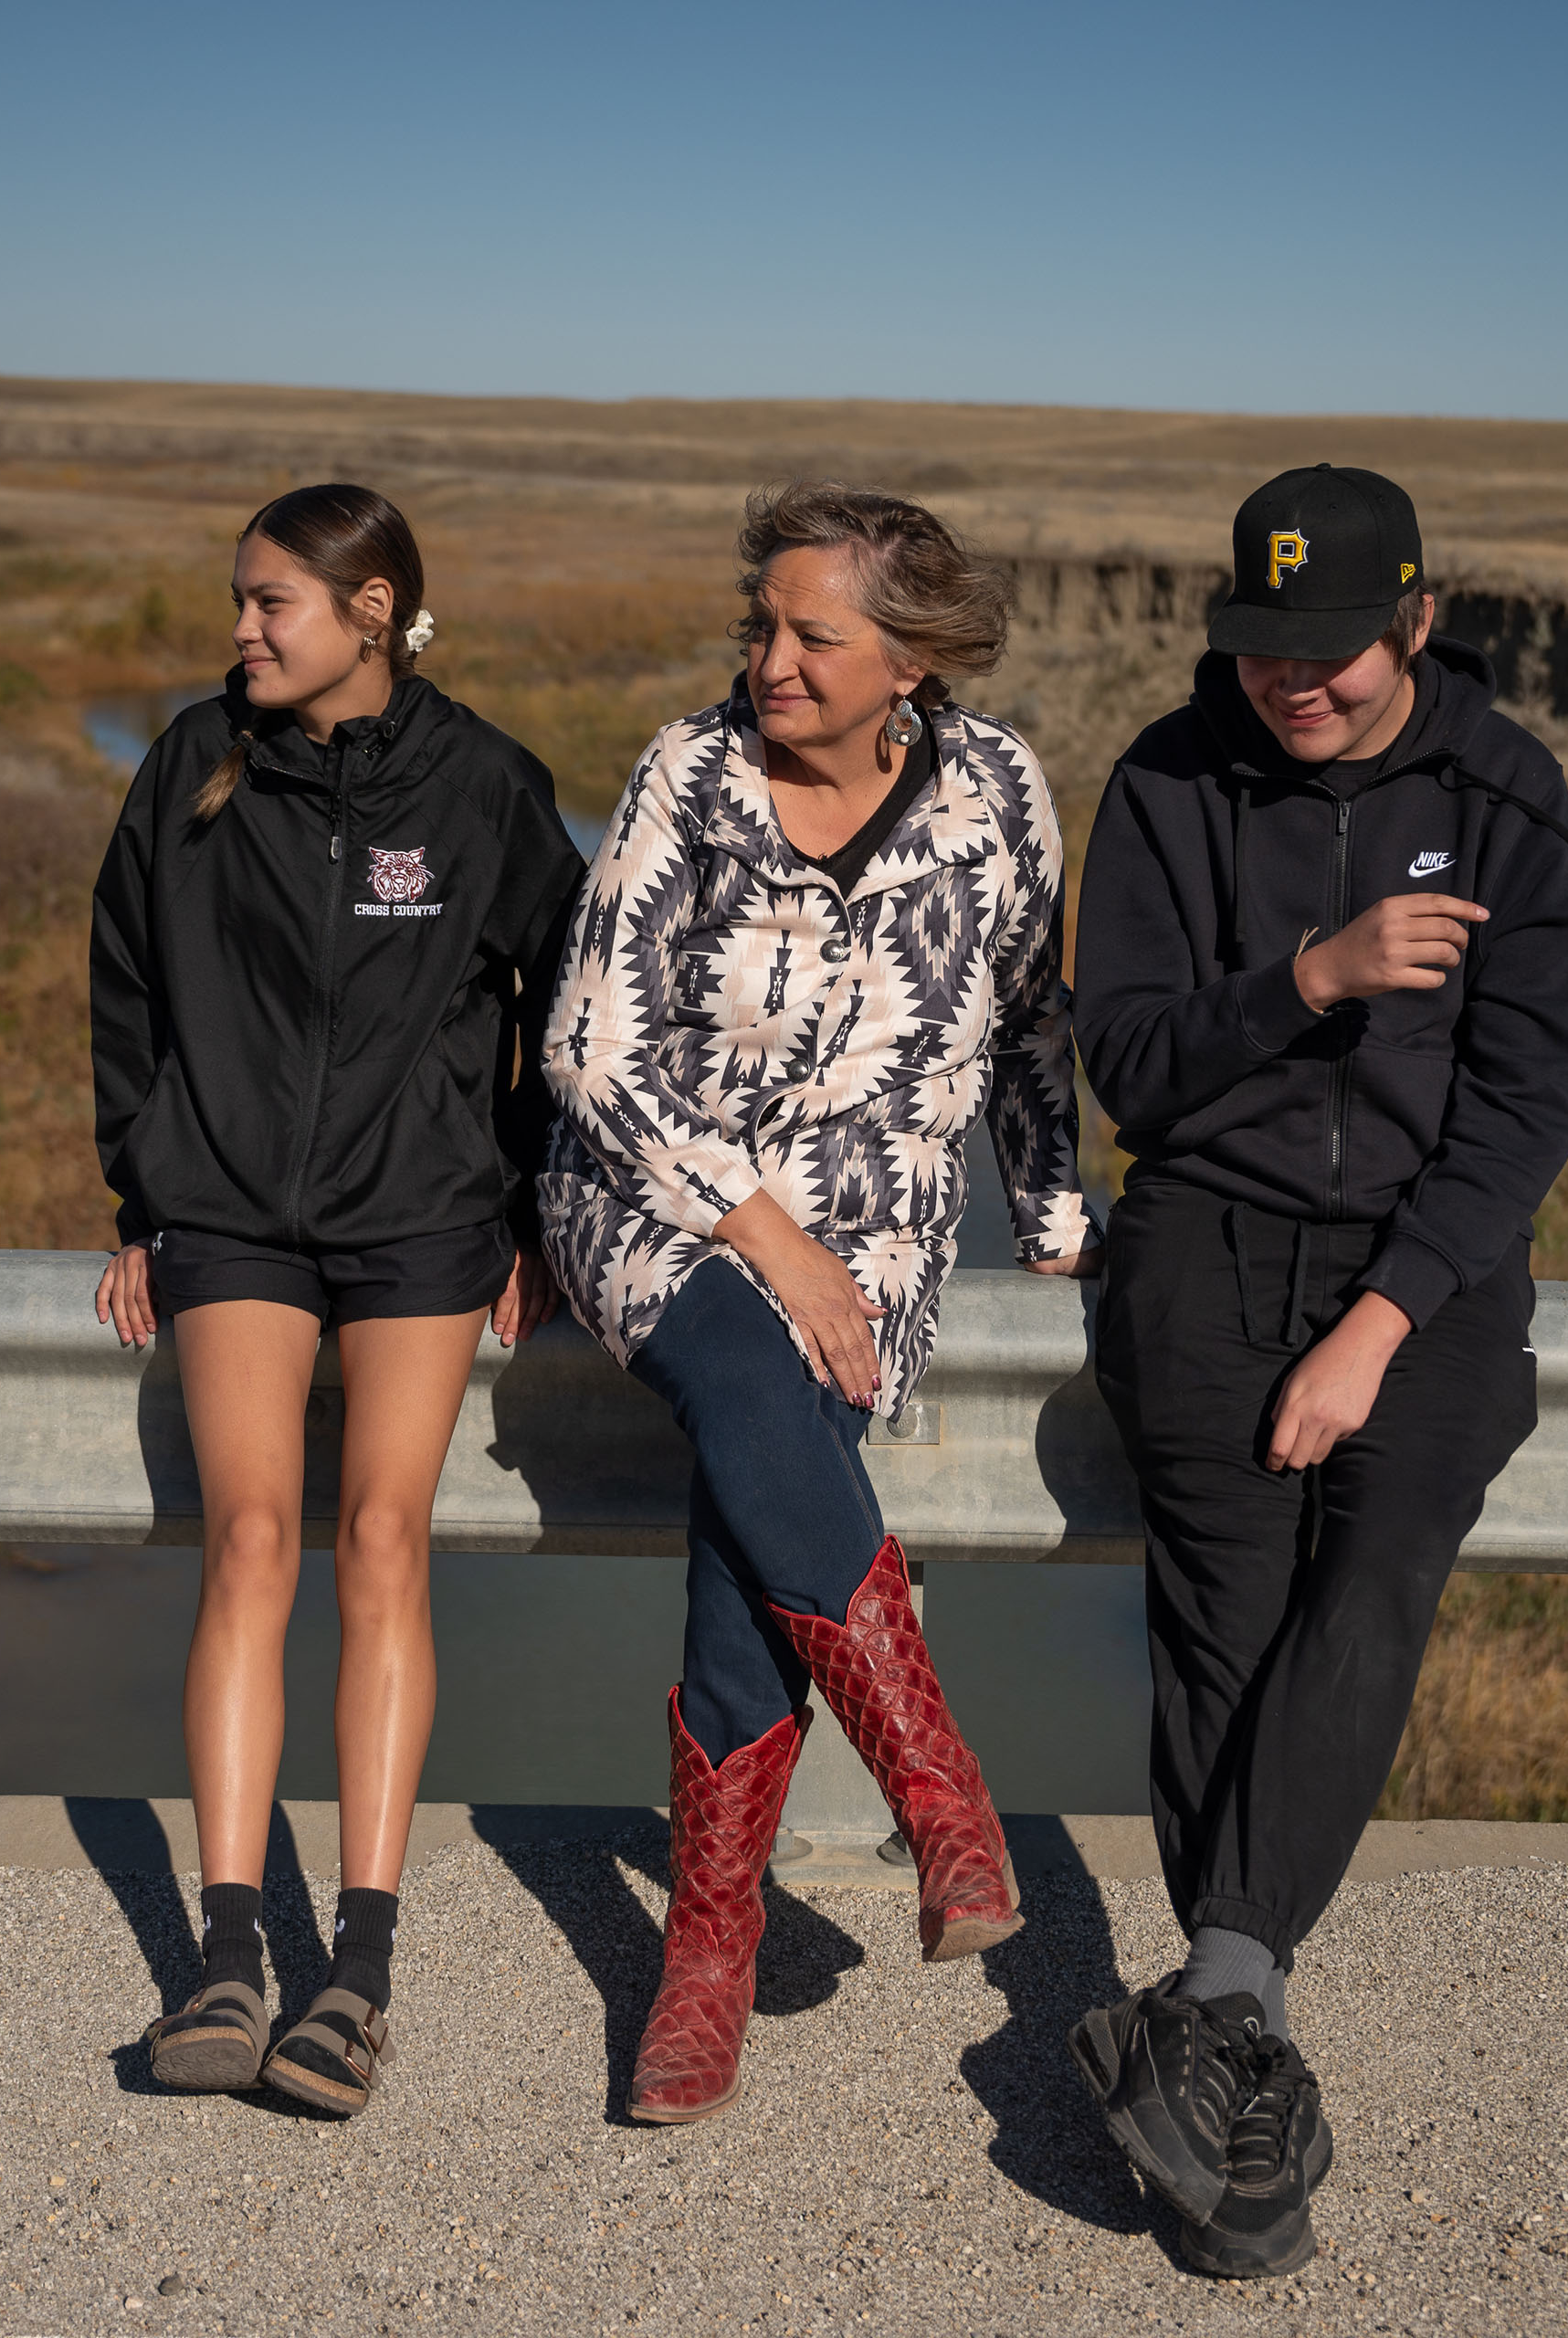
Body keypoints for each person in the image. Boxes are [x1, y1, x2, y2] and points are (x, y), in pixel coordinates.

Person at [1068, 465, 1568, 2276]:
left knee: (1374, 1563)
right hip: (1204, 1237)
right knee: (1224, 1608)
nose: (1294, 685)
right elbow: (1130, 1065)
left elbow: (1526, 1108)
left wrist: (1382, 1323)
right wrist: (1311, 973)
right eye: (1263, 648)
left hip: (1428, 1267)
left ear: (1417, 624)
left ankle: (1211, 2011)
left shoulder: (1507, 799)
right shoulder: (1166, 778)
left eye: (1332, 654)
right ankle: (1243, 2071)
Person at [538, 481, 1096, 2124]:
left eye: (812, 635)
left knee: (749, 1500)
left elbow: (1026, 1019)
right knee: (754, 1366)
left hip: (878, 1233)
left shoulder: (997, 789)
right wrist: (766, 1235)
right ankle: (940, 1797)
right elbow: (588, 1051)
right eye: (759, 627)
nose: (771, 660)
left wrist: (1056, 1217)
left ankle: (707, 1955)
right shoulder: (685, 773)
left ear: (909, 659)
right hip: (656, 1190)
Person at [89, 483, 586, 2117]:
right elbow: (128, 984)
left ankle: (357, 1968)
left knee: (381, 1541)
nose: (240, 631)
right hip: (229, 1212)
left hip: (423, 1220)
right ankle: (227, 1952)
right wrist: (144, 1192)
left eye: (269, 605)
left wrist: (523, 1203)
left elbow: (563, 1009)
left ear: (370, 613)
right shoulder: (189, 769)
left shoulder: (489, 785)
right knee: (248, 1543)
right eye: (238, 602)